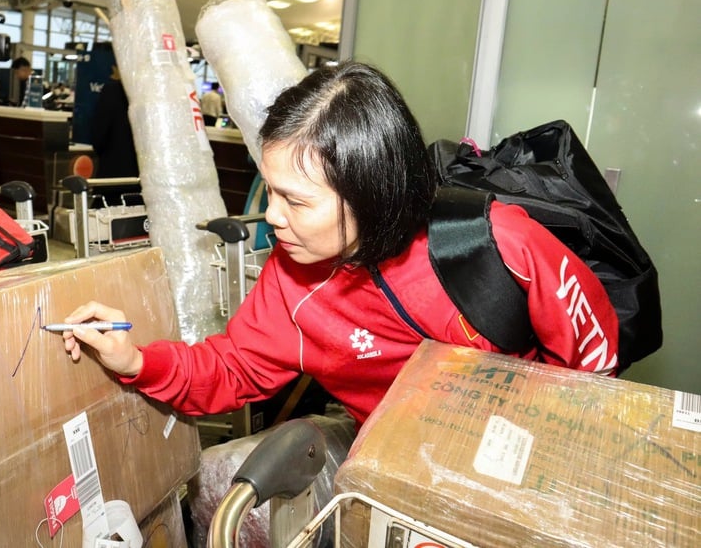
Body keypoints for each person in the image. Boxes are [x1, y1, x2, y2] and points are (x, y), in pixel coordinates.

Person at [59, 62, 619, 430]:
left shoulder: (498, 244)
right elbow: (234, 368)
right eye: (271, 192)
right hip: (395, 474)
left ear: (373, 193)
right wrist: (135, 360)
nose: (272, 218)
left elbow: (593, 376)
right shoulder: (295, 276)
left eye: (296, 201)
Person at [90, 64, 140, 205]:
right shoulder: (153, 95)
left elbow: (98, 135)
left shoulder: (112, 91)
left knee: (104, 222)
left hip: (113, 177)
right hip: (143, 181)